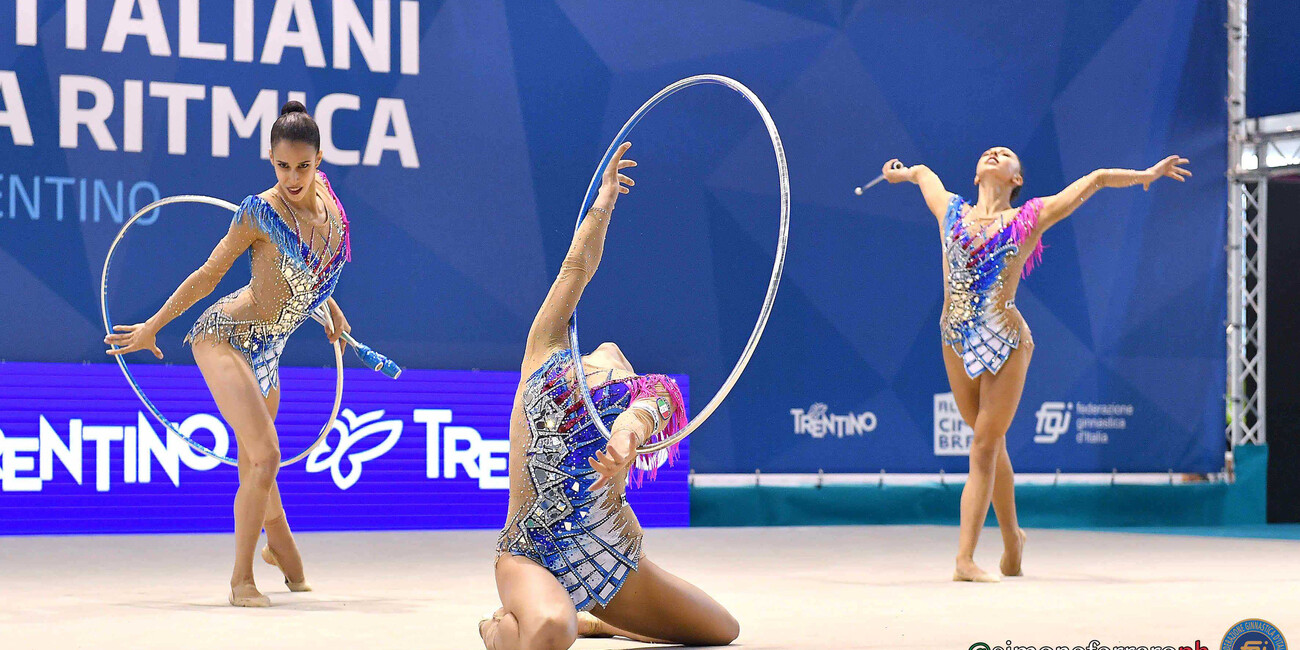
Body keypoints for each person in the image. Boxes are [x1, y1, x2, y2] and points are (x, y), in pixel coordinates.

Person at [882, 148, 1191, 582]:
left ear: (1016, 179)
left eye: (1005, 155)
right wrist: (902, 173)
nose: (994, 154)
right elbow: (923, 173)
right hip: (954, 336)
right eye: (989, 152)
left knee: (985, 446)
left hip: (1006, 339)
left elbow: (1098, 175)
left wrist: (1142, 175)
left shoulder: (1028, 217)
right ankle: (1013, 541)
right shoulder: (950, 210)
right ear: (975, 175)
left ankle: (964, 560)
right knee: (990, 442)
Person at [480, 142, 739, 649]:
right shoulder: (545, 350)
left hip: (612, 558)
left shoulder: (638, 394)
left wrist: (624, 445)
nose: (611, 356)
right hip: (530, 553)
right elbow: (576, 269)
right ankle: (502, 626)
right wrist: (605, 203)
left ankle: (594, 620)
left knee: (722, 631)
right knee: (552, 628)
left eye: (618, 369)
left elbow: (647, 412)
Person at [105, 101, 354, 606]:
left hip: (271, 349)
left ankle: (279, 545)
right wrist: (153, 327)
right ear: (270, 158)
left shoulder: (326, 199)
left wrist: (333, 309)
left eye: (303, 166)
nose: (292, 177)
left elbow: (311, 268)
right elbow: (207, 276)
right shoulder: (258, 211)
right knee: (265, 455)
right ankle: (242, 580)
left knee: (257, 465)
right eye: (282, 165)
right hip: (224, 336)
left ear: (320, 161)